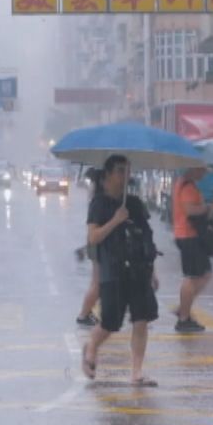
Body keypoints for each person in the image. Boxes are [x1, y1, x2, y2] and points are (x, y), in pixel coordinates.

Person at [81, 155, 162, 387]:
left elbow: (146, 238)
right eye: (120, 170)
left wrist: (152, 271)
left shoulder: (134, 204)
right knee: (110, 323)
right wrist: (116, 220)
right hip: (113, 271)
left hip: (139, 270)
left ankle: (137, 372)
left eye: (127, 170)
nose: (125, 175)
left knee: (141, 320)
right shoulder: (99, 204)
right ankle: (92, 346)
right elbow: (93, 237)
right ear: (107, 174)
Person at [169, 166, 213, 333]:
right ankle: (183, 318)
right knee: (192, 277)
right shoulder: (187, 186)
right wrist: (207, 207)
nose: (204, 173)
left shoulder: (184, 184)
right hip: (188, 236)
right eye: (202, 170)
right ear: (194, 169)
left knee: (204, 274)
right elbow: (190, 210)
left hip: (187, 235)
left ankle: (183, 309)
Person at [75, 167, 102, 327]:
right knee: (98, 283)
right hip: (98, 244)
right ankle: (84, 314)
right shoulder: (98, 200)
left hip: (95, 243)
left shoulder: (95, 194)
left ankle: (87, 312)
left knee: (96, 282)